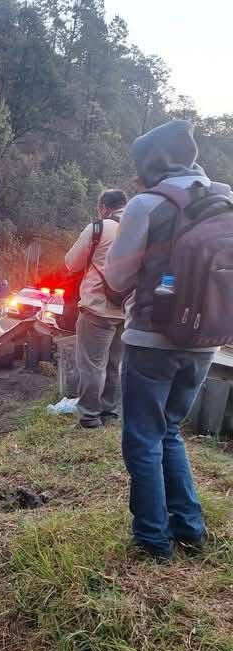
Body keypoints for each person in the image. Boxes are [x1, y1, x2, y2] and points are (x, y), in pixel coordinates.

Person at [105, 119, 233, 561]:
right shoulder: (225, 197)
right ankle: (190, 530)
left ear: (150, 163)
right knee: (170, 430)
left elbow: (118, 276)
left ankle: (153, 543)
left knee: (142, 437)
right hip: (207, 338)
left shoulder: (147, 204)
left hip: (151, 338)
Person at [65, 189, 128, 428]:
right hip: (128, 309)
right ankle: (109, 413)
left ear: (103, 207)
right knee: (115, 364)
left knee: (92, 365)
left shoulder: (99, 228)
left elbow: (72, 263)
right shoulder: (144, 228)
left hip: (98, 308)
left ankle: (89, 417)